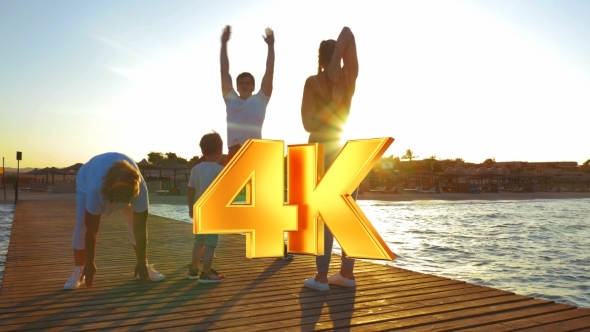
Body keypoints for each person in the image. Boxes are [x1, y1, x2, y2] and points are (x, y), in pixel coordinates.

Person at [220, 25, 293, 260]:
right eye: (241, 82)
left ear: (252, 86)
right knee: (225, 202)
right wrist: (224, 44)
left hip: (255, 154)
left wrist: (271, 47)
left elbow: (269, 72)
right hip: (233, 154)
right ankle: (212, 243)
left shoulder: (260, 100)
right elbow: (224, 71)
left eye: (248, 82)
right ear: (236, 86)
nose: (244, 85)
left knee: (266, 201)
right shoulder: (230, 100)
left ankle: (278, 245)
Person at [300, 26, 359, 291]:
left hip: (323, 151)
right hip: (344, 152)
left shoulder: (313, 82)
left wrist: (332, 103)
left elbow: (308, 124)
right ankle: (346, 274)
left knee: (325, 215)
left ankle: (322, 277)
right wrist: (339, 61)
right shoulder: (349, 78)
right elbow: (349, 33)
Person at [64, 152, 165, 290]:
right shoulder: (95, 188)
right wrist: (90, 262)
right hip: (87, 178)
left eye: (123, 201)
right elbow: (91, 229)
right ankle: (79, 270)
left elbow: (140, 228)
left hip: (120, 190)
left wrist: (142, 261)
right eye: (116, 201)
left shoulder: (140, 189)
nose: (117, 205)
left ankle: (144, 266)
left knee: (133, 225)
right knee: (82, 225)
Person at [186, 131, 226, 283]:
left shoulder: (196, 169)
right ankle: (207, 273)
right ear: (220, 151)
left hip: (198, 210)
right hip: (212, 213)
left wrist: (190, 208)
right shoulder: (219, 170)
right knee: (210, 244)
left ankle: (194, 270)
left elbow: (190, 189)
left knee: (199, 242)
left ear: (202, 150)